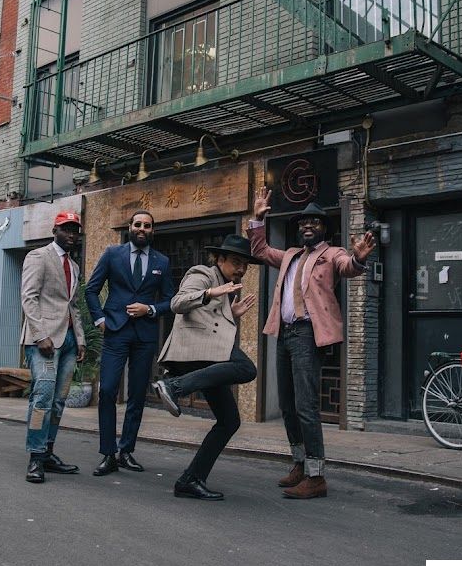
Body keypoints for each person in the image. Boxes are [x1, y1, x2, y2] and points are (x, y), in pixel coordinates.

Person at [248, 187, 377, 499]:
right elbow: (260, 251)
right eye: (303, 222)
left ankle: (316, 476)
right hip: (284, 333)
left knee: (306, 405)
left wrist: (358, 258)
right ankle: (300, 464)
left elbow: (348, 266)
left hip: (308, 334)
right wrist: (257, 218)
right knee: (288, 405)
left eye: (314, 222)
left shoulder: (331, 254)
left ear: (324, 228)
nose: (307, 226)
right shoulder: (291, 255)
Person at [152, 234, 258, 500]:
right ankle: (172, 387)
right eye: (235, 262)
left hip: (209, 354)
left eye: (244, 265)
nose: (241, 269)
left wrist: (230, 314)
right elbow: (178, 303)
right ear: (219, 259)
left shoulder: (227, 285)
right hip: (194, 349)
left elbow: (211, 317)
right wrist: (211, 292)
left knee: (229, 421)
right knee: (246, 368)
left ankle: (190, 480)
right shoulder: (203, 273)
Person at [85, 211, 176, 477]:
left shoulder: (163, 261)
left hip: (145, 336)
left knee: (137, 395)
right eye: (138, 224)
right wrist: (99, 319)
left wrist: (149, 308)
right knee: (108, 390)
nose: (142, 229)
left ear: (152, 231)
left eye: (147, 226)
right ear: (130, 227)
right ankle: (108, 453)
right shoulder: (113, 254)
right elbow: (91, 289)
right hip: (115, 331)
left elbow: (170, 300)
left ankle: (126, 451)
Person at [19, 211, 87, 484]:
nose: (71, 234)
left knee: (58, 402)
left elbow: (73, 305)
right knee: (42, 399)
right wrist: (39, 335)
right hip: (44, 341)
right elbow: (29, 297)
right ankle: (35, 457)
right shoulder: (38, 256)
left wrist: (80, 338)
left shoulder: (75, 265)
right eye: (66, 229)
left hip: (69, 341)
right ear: (55, 230)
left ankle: (47, 452)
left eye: (75, 230)